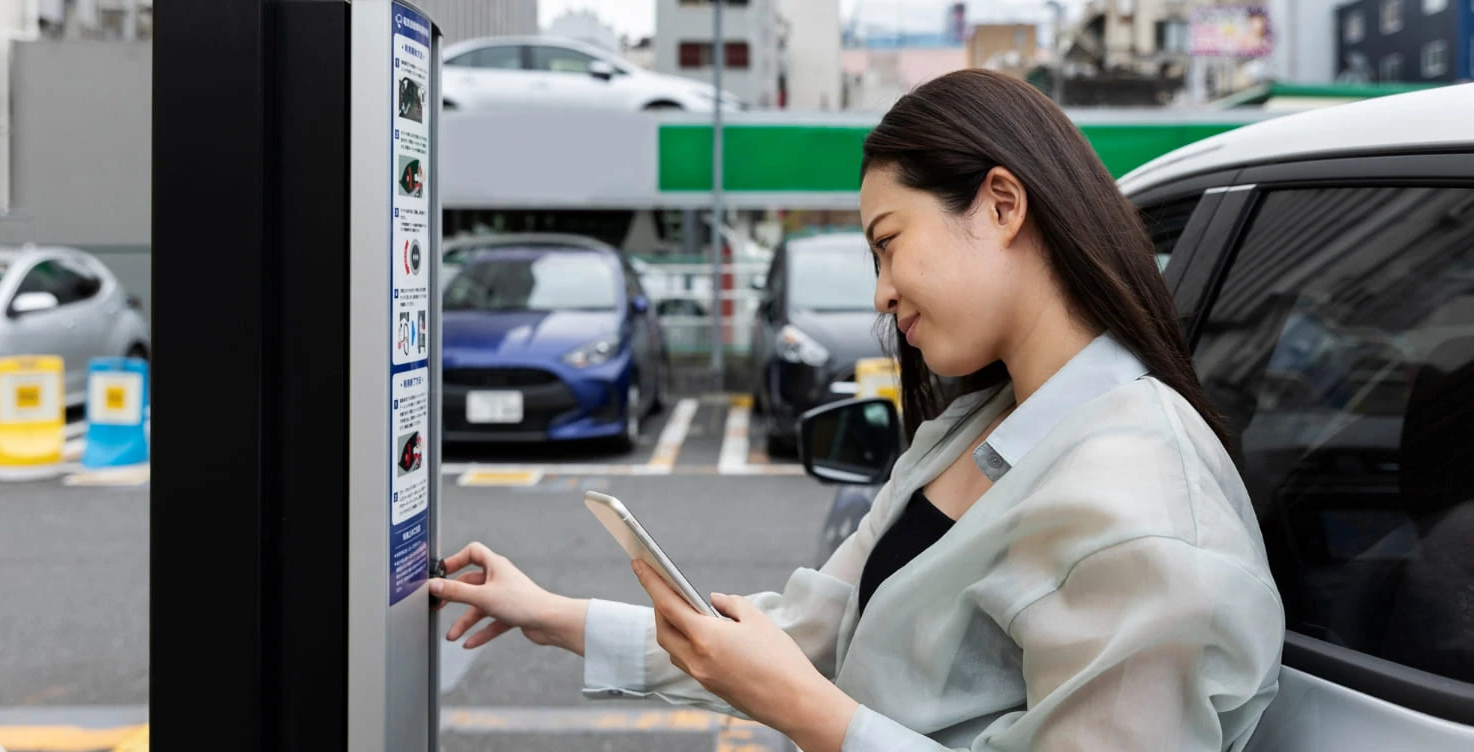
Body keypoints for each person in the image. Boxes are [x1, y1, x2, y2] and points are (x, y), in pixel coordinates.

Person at [429, 69, 1285, 751]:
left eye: (887, 242)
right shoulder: (976, 426)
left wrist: (814, 718)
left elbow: (801, 681)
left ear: (1000, 205)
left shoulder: (1144, 505)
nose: (880, 292)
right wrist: (551, 615)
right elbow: (810, 630)